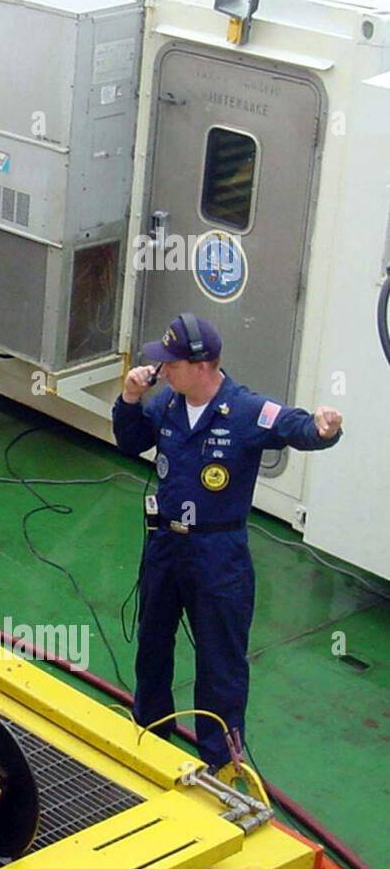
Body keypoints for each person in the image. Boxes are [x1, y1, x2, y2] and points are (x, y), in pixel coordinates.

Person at [112, 314, 343, 772]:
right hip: (164, 548)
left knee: (220, 662)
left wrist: (325, 427)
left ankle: (221, 761)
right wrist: (131, 399)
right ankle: (151, 737)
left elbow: (297, 427)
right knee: (152, 644)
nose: (162, 371)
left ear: (201, 365)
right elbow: (131, 440)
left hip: (217, 557)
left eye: (170, 364)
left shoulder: (245, 410)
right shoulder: (168, 405)